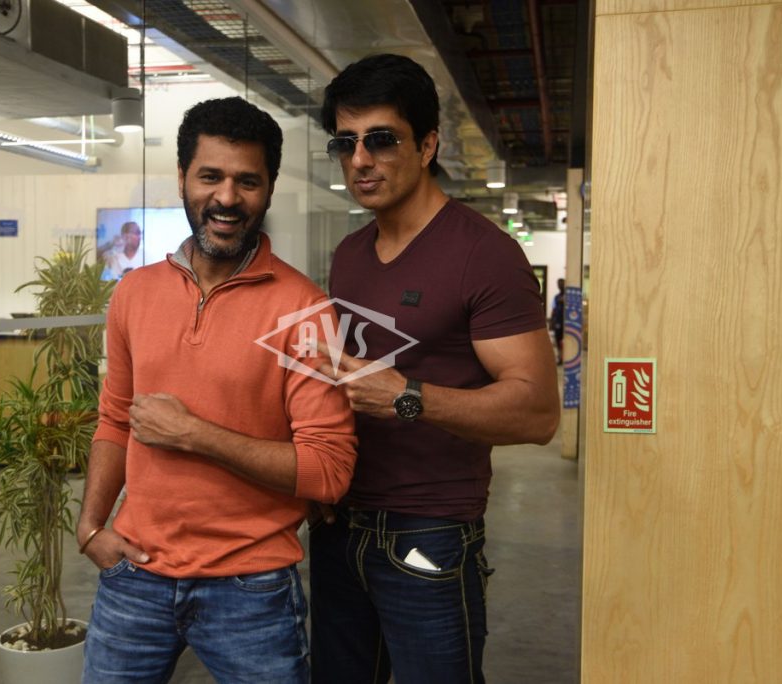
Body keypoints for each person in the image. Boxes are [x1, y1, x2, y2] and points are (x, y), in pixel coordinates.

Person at [76, 96, 358, 683]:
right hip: (135, 577)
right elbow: (116, 420)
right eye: (210, 177)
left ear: (269, 189)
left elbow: (329, 471)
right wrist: (91, 526)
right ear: (182, 177)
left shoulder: (304, 309)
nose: (227, 198)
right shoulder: (134, 293)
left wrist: (195, 435)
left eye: (247, 181)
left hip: (251, 590)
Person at [309, 53, 561, 683]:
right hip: (339, 522)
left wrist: (408, 396)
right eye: (345, 142)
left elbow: (538, 414)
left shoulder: (485, 254)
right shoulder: (350, 253)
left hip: (428, 532)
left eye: (381, 140)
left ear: (427, 145)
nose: (360, 160)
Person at [550, 277, 565, 365]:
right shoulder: (556, 297)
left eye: (561, 284)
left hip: (567, 323)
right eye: (559, 284)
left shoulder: (569, 297)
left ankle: (564, 357)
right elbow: (553, 309)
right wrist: (552, 321)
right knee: (558, 340)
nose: (560, 285)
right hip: (558, 322)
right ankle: (560, 358)